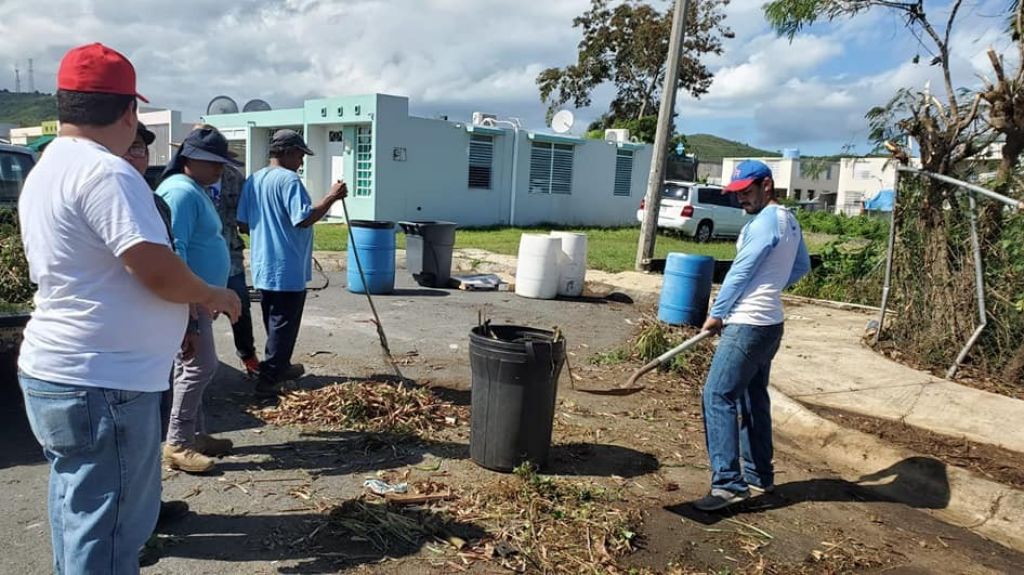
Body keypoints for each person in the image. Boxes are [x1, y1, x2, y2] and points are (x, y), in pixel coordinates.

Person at [17, 43, 240, 574]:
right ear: (126, 111)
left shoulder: (49, 165)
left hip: (63, 372)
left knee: (81, 511)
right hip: (103, 383)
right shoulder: (107, 173)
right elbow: (156, 269)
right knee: (112, 531)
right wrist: (214, 295)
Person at [693, 160, 811, 512]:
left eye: (746, 191)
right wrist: (770, 288)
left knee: (717, 395)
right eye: (737, 193)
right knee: (752, 398)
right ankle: (759, 476)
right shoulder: (789, 220)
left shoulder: (764, 224)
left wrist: (718, 313)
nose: (741, 198)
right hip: (769, 323)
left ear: (767, 186)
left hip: (748, 323)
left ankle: (728, 484)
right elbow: (802, 265)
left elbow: (741, 270)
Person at [237, 129, 347, 397]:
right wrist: (332, 197)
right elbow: (303, 218)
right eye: (299, 154)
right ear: (286, 152)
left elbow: (242, 223)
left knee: (274, 321)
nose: (302, 160)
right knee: (284, 324)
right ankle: (269, 379)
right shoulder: (289, 181)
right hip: (286, 265)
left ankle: (281, 365)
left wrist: (268, 233)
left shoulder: (254, 180)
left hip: (263, 263)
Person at [157, 127, 241, 474]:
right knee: (200, 366)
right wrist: (193, 302)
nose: (220, 169)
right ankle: (178, 441)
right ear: (189, 159)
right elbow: (178, 252)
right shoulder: (179, 193)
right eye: (213, 162)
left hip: (199, 297)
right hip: (190, 299)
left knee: (190, 366)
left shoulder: (195, 189)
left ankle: (195, 433)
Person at [122, 121, 190, 524]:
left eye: (142, 150)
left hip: (156, 341)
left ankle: (149, 507)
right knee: (126, 445)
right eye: (130, 148)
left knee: (150, 433)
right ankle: (137, 529)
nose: (137, 156)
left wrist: (190, 326)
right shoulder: (108, 197)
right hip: (125, 345)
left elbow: (173, 261)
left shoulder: (155, 202)